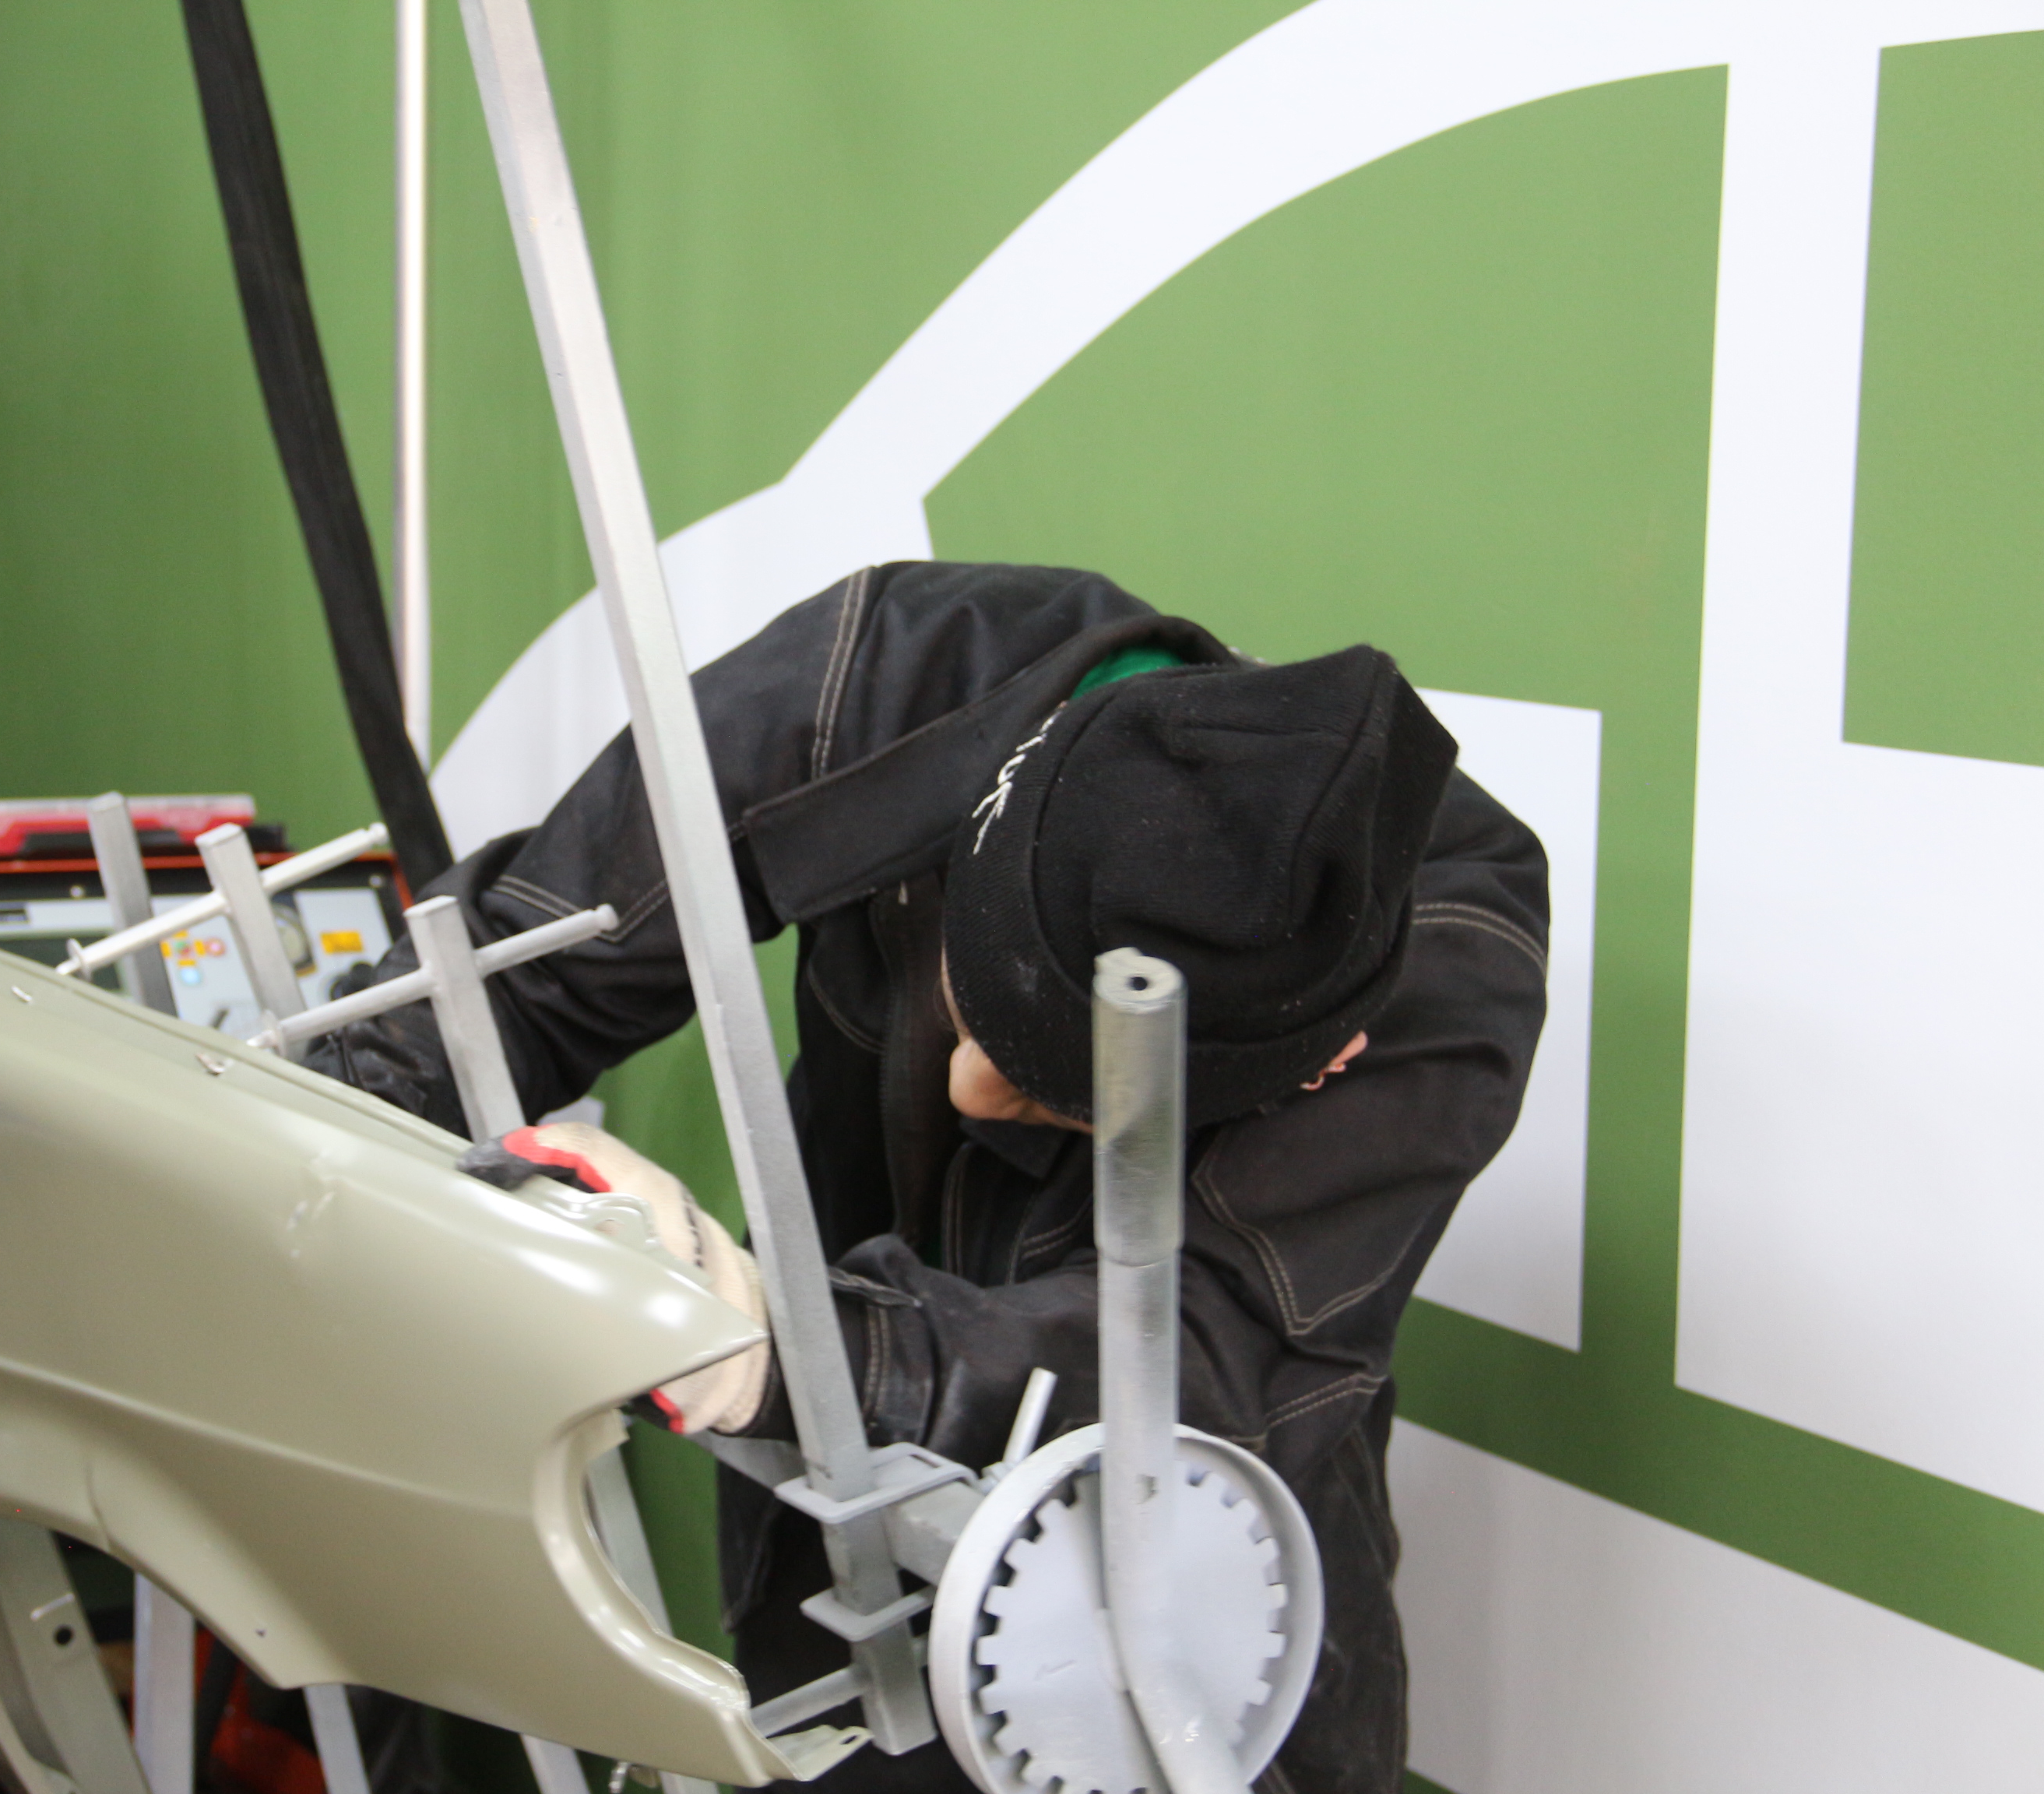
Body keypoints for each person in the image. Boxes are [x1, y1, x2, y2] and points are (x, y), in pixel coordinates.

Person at [308, 561, 1549, 1794]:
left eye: (1051, 1095)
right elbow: (525, 967)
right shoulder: (888, 677)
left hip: (1168, 1607)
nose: (969, 1094)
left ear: (1320, 1062)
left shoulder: (1448, 961)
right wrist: (318, 1138)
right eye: (972, 1012)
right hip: (837, 1542)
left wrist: (771, 1348)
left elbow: (1213, 1353)